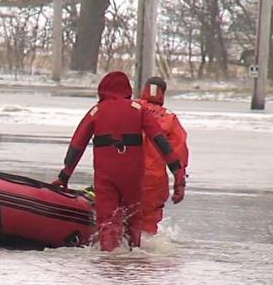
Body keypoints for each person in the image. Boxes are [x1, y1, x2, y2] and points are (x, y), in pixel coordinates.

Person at [52, 71, 186, 252]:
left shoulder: (97, 111)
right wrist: (178, 175)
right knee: (136, 222)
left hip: (107, 176)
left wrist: (64, 175)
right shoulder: (143, 111)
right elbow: (164, 144)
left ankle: (108, 260)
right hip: (140, 178)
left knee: (107, 221)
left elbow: (77, 144)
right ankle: (134, 259)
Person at [137, 76, 189, 235]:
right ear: (163, 94)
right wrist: (179, 184)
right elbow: (179, 154)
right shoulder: (169, 119)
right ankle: (142, 255)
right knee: (147, 228)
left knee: (116, 217)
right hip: (153, 181)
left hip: (123, 174)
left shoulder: (129, 109)